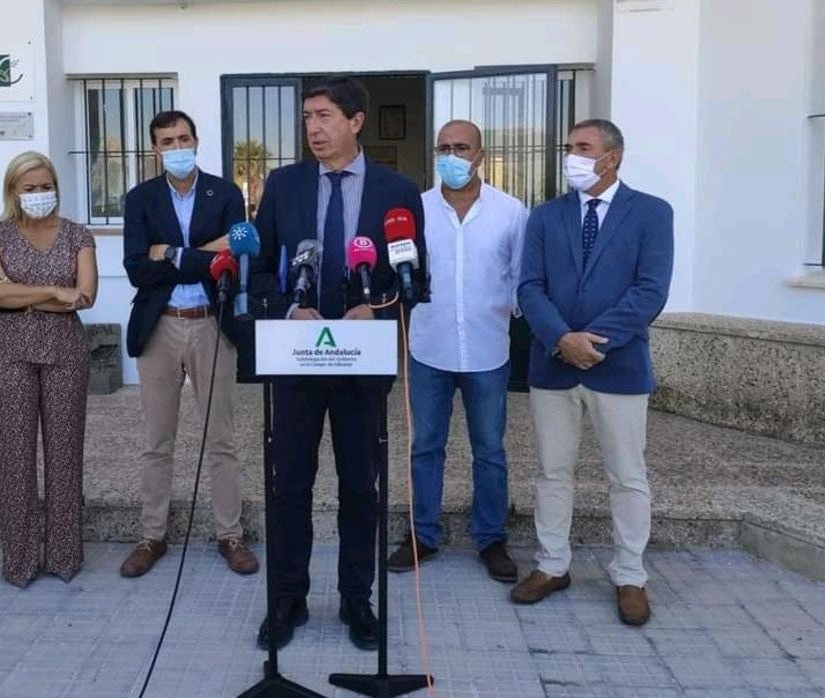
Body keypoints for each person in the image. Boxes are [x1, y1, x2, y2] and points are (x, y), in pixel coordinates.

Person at [248, 76, 426, 651]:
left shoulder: (398, 191)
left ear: (355, 122)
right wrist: (289, 305)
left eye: (323, 116)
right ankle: (288, 599)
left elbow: (416, 278)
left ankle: (357, 600)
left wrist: (380, 309)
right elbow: (259, 272)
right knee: (291, 484)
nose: (313, 129)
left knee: (360, 486)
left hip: (361, 361)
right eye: (306, 118)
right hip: (296, 361)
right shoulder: (283, 185)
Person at [512, 119, 673, 627]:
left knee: (627, 476)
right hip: (553, 366)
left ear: (613, 157)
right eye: (569, 148)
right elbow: (529, 287)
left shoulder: (650, 213)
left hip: (618, 367)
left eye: (583, 148)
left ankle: (630, 575)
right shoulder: (545, 216)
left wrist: (593, 342)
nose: (572, 157)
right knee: (552, 472)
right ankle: (552, 565)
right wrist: (562, 339)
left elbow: (650, 290)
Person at [119, 110, 259, 578]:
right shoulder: (140, 199)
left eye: (183, 138)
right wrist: (207, 252)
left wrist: (173, 252)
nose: (177, 147)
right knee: (157, 441)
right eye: (166, 141)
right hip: (160, 325)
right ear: (155, 149)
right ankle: (151, 536)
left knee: (221, 439)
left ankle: (230, 535)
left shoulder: (226, 192)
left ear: (196, 141)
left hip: (210, 325)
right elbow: (138, 268)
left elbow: (238, 258)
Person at [388, 120, 526, 582]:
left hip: (489, 350)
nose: (452, 156)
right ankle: (422, 535)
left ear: (481, 155)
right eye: (444, 148)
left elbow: (522, 280)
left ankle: (490, 538)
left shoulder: (511, 212)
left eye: (461, 148)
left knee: (489, 449)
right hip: (429, 348)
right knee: (426, 447)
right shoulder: (416, 210)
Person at [0, 151, 98, 587]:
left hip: (65, 348)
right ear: (13, 191)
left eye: (46, 186)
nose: (39, 194)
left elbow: (85, 295)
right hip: (9, 350)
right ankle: (21, 561)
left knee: (65, 456)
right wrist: (52, 291)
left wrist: (20, 292)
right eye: (29, 188)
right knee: (14, 458)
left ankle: (65, 556)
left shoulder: (77, 235)